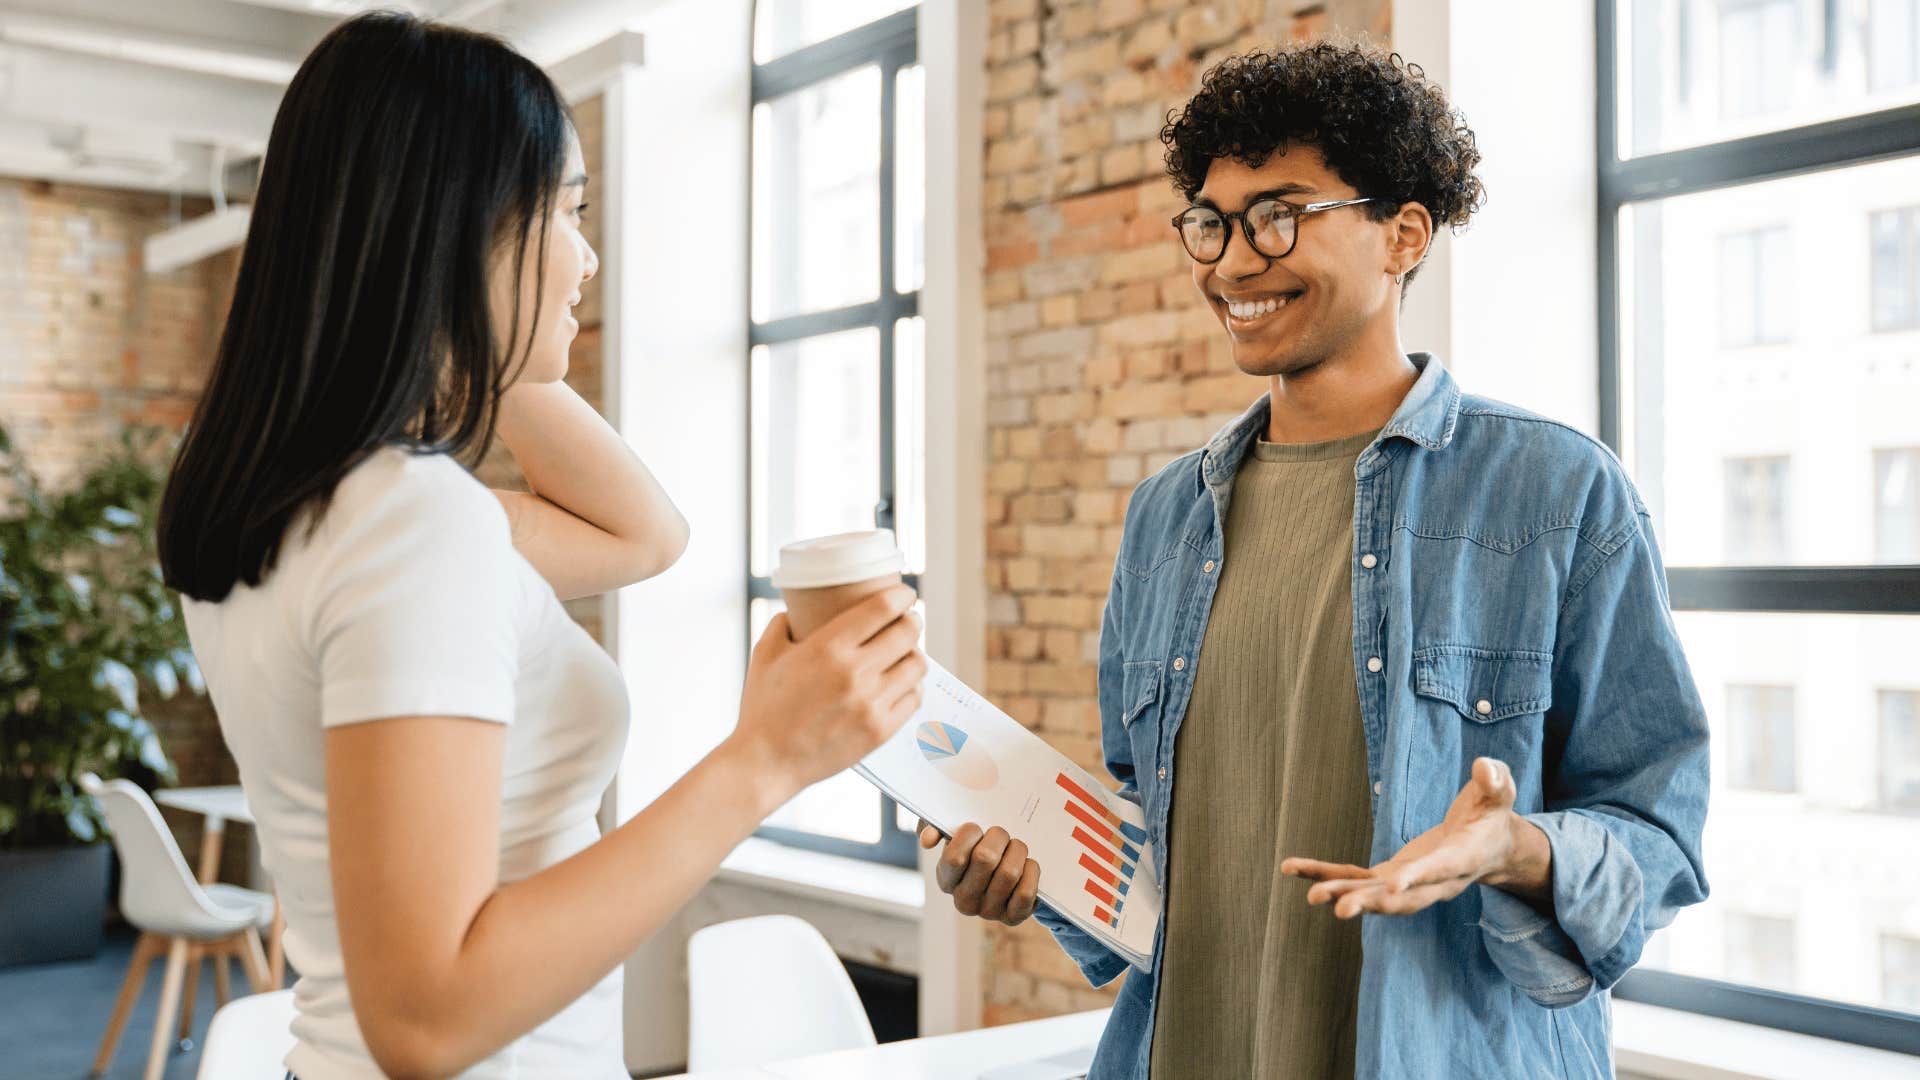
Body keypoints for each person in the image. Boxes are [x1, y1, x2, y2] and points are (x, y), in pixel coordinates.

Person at [156, 13, 925, 1079]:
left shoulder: (296, 505)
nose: (589, 256)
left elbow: (642, 535)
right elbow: (425, 1018)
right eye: (567, 212)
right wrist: (769, 758)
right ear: (463, 228)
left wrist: (481, 334)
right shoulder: (413, 526)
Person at [922, 39, 1709, 1079]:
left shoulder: (1558, 492)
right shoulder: (1167, 517)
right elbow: (1150, 831)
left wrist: (1516, 851)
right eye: (1212, 222)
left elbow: (1661, 834)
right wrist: (1034, 871)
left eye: (1280, 215)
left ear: (1403, 235)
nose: (1233, 260)